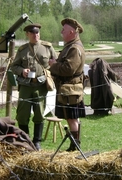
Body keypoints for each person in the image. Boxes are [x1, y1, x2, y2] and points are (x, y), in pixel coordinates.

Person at [10, 23, 57, 151]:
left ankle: (37, 142)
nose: (35, 35)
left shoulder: (47, 47)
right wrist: (21, 71)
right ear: (27, 34)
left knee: (39, 114)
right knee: (22, 115)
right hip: (25, 86)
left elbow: (56, 63)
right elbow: (13, 66)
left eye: (37, 32)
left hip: (40, 85)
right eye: (32, 33)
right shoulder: (22, 49)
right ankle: (25, 140)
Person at [49, 17, 86, 152]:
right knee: (71, 118)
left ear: (71, 32)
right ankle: (74, 145)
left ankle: (75, 146)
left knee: (71, 118)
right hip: (67, 89)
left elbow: (68, 69)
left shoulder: (74, 48)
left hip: (70, 90)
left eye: (64, 30)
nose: (61, 32)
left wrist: (54, 65)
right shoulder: (70, 47)